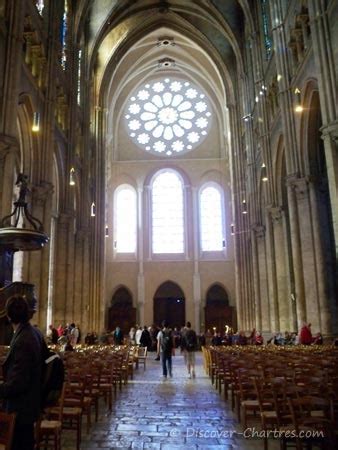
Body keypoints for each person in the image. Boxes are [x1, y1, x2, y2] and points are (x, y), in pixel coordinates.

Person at [0, 295, 43, 450]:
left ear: (9, 316)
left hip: (21, 411)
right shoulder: (34, 333)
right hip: (29, 406)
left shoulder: (24, 339)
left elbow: (18, 383)